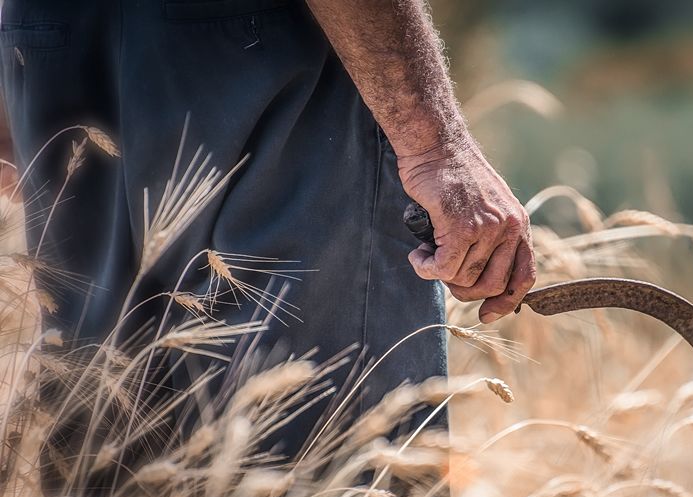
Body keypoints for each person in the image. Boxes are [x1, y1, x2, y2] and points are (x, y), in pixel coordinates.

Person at [0, 1, 535, 468]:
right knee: (325, 480)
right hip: (253, 49)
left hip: (56, 45)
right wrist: (434, 147)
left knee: (110, 449)